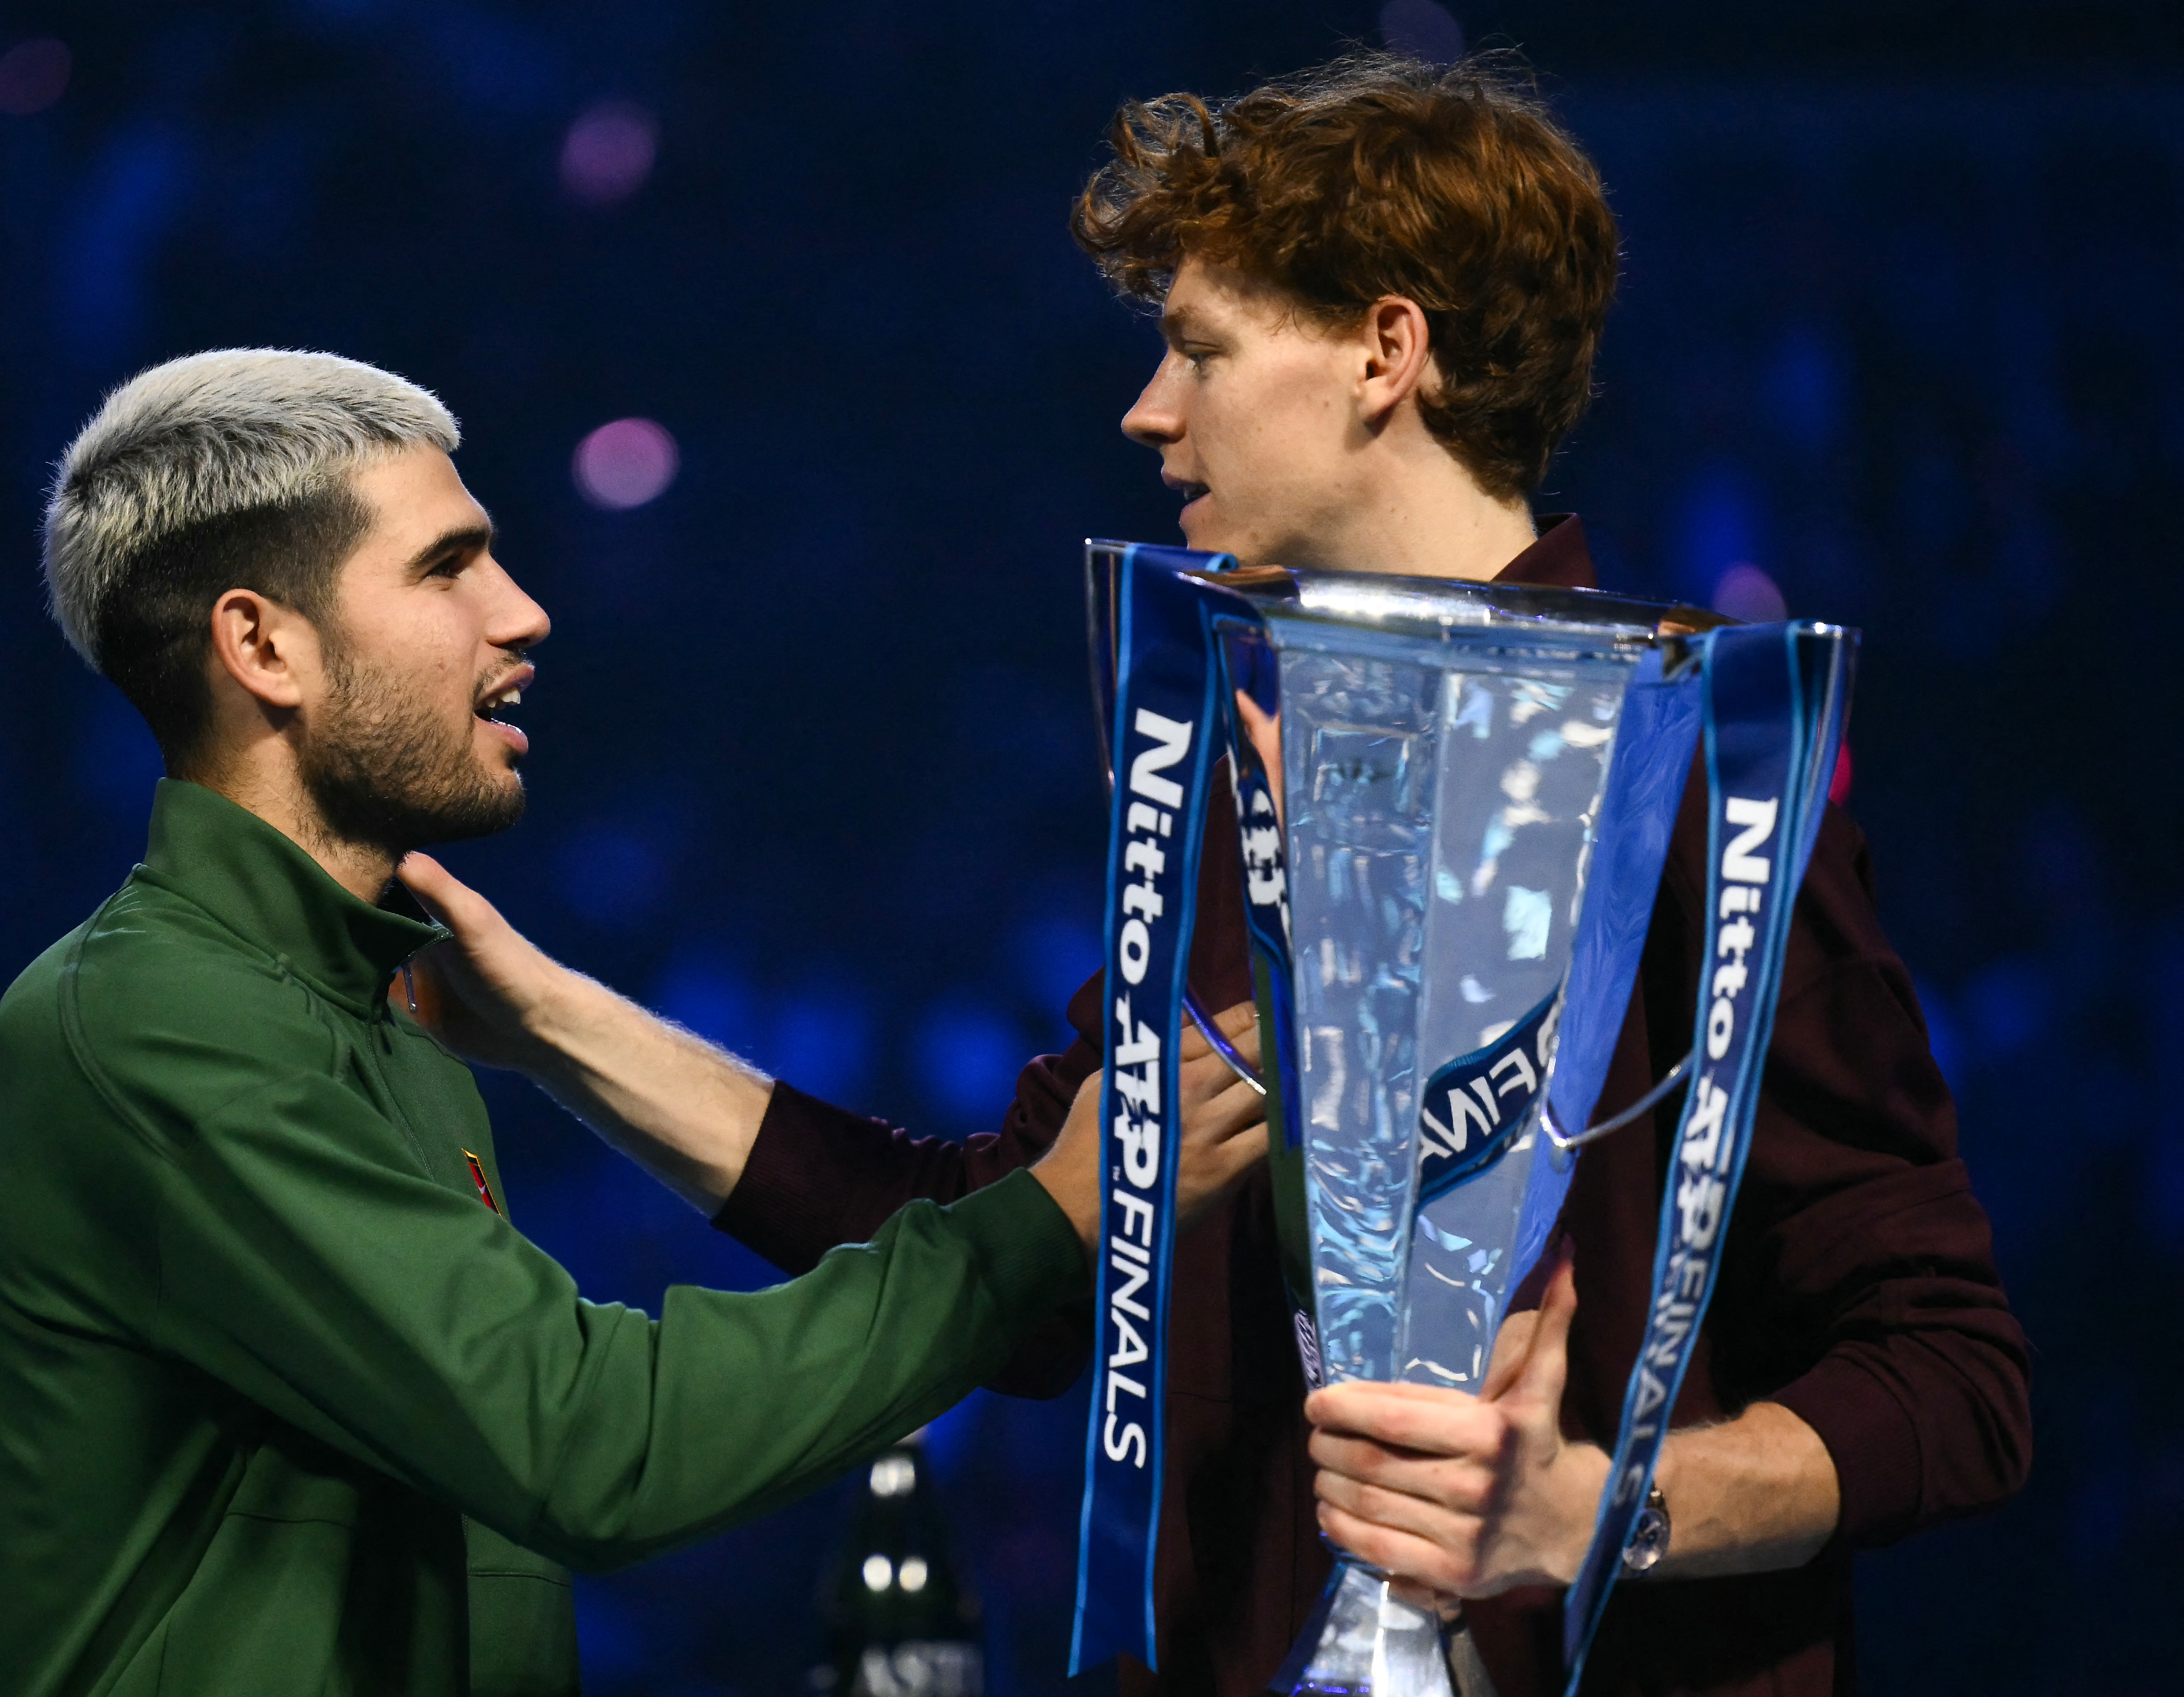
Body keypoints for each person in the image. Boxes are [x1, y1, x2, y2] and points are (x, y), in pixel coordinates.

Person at [442, 52, 2032, 1697]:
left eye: (1201, 348)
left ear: (1384, 353)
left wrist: (1597, 1504)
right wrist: (547, 1018)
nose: (1147, 407)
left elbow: (1955, 1378)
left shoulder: (1699, 768)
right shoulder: (1214, 781)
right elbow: (1023, 1254)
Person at [0, 348, 1271, 1697]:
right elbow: (582, 1442)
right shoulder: (155, 1018)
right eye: (447, 568)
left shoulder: (398, 1026)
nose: (524, 614)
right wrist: (1037, 1220)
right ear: (262, 644)